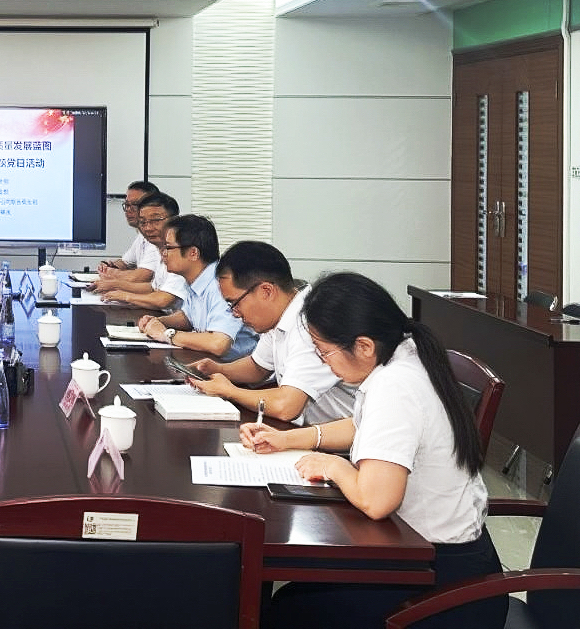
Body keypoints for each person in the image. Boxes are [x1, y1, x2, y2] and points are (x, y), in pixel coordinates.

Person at [244, 272, 507, 629]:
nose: (323, 362)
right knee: (296, 595)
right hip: (433, 555)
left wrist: (334, 467)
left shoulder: (395, 384)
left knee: (289, 609)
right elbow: (365, 427)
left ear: (364, 346)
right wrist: (289, 439)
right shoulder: (405, 354)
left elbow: (377, 500)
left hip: (444, 585)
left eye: (324, 351)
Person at [185, 241, 354, 424]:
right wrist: (217, 369)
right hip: (309, 430)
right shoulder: (281, 314)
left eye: (234, 303)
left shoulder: (311, 324)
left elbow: (286, 406)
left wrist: (229, 391)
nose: (234, 313)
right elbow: (258, 367)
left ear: (266, 291)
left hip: (343, 437)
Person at [135, 214, 257, 360]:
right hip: (210, 362)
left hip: (237, 369)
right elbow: (188, 317)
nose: (163, 254)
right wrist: (159, 322)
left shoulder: (220, 285)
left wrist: (167, 334)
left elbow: (218, 343)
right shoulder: (196, 278)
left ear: (193, 253)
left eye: (168, 247)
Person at [95, 191, 187, 310]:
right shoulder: (161, 249)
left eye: (155, 220)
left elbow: (163, 300)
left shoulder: (181, 252)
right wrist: (115, 286)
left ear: (174, 220)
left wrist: (126, 296)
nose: (148, 228)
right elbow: (154, 288)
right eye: (143, 222)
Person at [95, 180, 161, 279]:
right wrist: (108, 266)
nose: (128, 210)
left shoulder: (158, 237)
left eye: (134, 205)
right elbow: (126, 263)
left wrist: (111, 273)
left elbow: (141, 277)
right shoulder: (142, 235)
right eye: (127, 205)